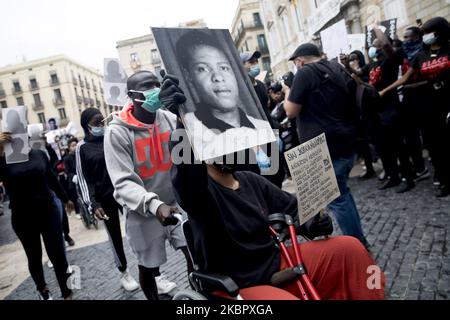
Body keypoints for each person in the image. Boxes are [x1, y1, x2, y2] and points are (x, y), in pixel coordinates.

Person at [158, 74, 385, 300]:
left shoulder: (249, 179)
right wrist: (182, 120)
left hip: (276, 261)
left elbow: (294, 209)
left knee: (351, 248)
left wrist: (312, 222)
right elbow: (186, 172)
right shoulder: (199, 192)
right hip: (238, 283)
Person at [103, 71, 194, 300]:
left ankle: (196, 296)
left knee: (193, 253)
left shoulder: (169, 118)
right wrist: (153, 205)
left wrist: (183, 117)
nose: (154, 89)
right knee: (148, 267)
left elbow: (186, 156)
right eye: (147, 86)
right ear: (132, 95)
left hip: (175, 203)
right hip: (142, 211)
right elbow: (122, 181)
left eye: (156, 84)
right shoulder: (117, 132)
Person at [283, 43, 369, 247]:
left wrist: (288, 90)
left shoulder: (304, 73)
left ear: (300, 61)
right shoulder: (336, 67)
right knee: (342, 193)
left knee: (337, 198)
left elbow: (290, 111)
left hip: (324, 146)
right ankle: (357, 239)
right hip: (345, 139)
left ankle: (357, 244)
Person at [174, 30, 274, 160]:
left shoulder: (262, 126)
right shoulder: (189, 129)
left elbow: (272, 169)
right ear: (189, 77)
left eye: (224, 68)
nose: (218, 77)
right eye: (202, 69)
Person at [379, 17, 450, 197]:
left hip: (447, 101)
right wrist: (384, 91)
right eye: (424, 33)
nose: (426, 36)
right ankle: (443, 179)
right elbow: (404, 78)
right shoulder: (420, 56)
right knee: (435, 145)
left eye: (429, 33)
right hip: (429, 106)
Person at [0, 132, 74, 300]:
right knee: (34, 256)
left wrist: (65, 198)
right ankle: (43, 290)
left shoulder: (39, 154)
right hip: (22, 216)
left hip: (48, 211)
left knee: (58, 255)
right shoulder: (4, 160)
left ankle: (67, 293)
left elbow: (51, 179)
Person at [75, 108, 139, 292]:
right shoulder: (82, 148)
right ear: (87, 126)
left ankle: (152, 269)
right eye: (96, 123)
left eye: (102, 121)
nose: (101, 125)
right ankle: (124, 272)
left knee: (139, 230)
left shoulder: (110, 137)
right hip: (104, 199)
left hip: (125, 192)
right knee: (115, 236)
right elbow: (83, 179)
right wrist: (93, 204)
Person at [63, 137, 82, 219]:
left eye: (76, 145)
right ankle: (78, 212)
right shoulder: (66, 158)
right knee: (75, 197)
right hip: (73, 179)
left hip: (82, 177)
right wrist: (74, 176)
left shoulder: (81, 154)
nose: (74, 147)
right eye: (72, 145)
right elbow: (67, 171)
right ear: (69, 147)